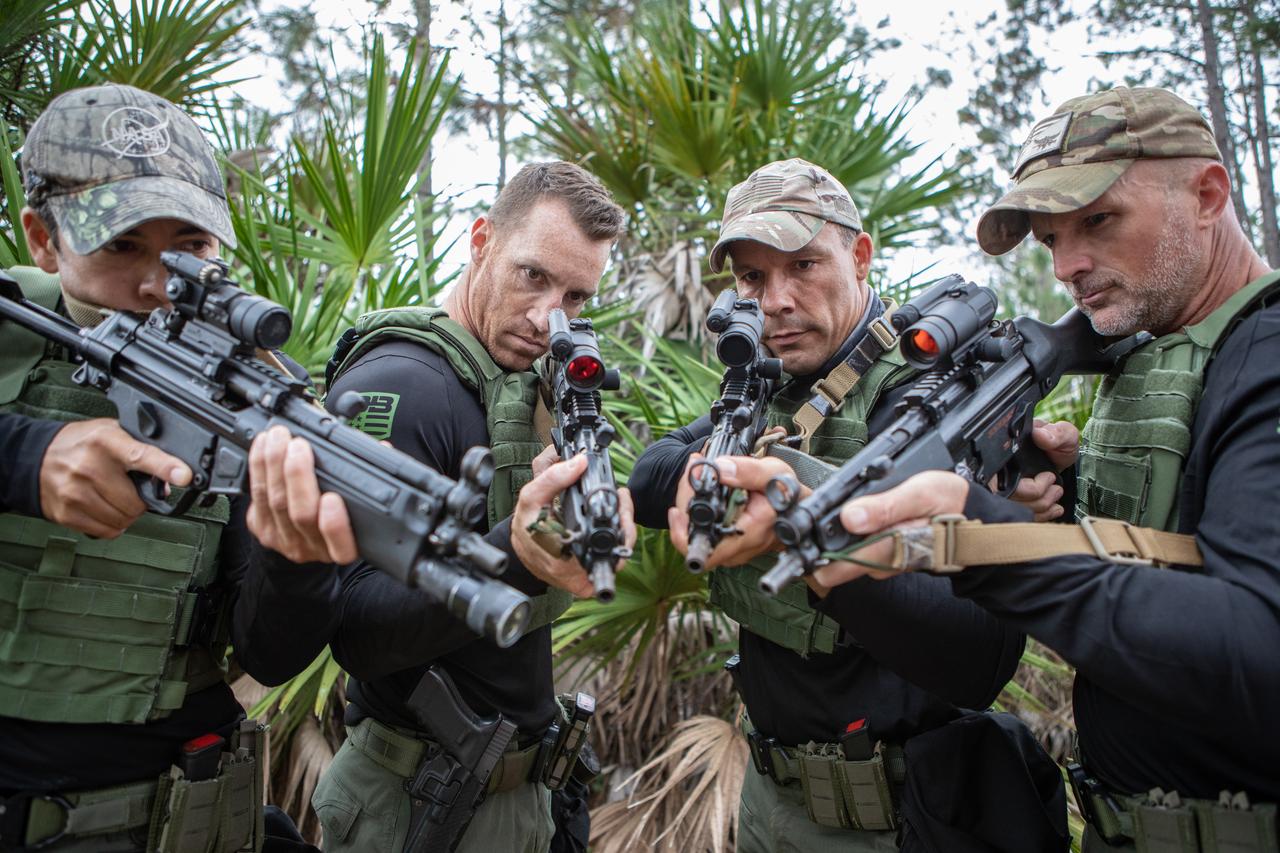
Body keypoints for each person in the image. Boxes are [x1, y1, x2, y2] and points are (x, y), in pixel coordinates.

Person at [813, 87, 1280, 853]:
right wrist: (1055, 515)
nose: (1068, 265)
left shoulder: (1265, 356)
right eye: (1050, 238)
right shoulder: (1164, 352)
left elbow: (1257, 642)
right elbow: (1172, 565)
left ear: (1208, 194)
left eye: (1098, 221)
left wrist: (985, 540)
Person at [628, 158, 1065, 853]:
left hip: (908, 815)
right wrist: (704, 473)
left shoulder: (931, 395)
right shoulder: (768, 388)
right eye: (753, 278)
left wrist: (813, 532)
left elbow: (979, 660)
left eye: (802, 265)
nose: (775, 300)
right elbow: (649, 474)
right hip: (772, 804)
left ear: (860, 256)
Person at [0, 84, 340, 851]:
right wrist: (27, 459)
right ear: (44, 241)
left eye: (190, 246)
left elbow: (270, 654)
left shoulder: (257, 385)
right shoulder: (9, 328)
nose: (159, 282)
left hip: (179, 815)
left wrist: (298, 555)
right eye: (121, 244)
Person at [310, 161, 636, 853]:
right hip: (417, 802)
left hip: (517, 793)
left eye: (576, 296)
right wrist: (515, 553)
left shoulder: (519, 383)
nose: (549, 317)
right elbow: (356, 628)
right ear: (481, 238)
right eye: (533, 276)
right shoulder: (403, 384)